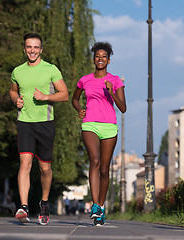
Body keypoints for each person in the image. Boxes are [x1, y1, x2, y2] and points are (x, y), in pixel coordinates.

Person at [10, 33, 69, 225]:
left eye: (36, 47)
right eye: (29, 47)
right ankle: (24, 207)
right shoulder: (17, 71)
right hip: (25, 122)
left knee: (45, 168)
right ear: (24, 48)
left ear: (41, 50)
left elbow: (65, 95)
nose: (32, 50)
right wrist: (15, 99)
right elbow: (13, 90)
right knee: (24, 163)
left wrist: (45, 97)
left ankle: (44, 203)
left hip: (45, 123)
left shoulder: (51, 69)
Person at [72, 41, 126, 226]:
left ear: (109, 60)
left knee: (104, 169)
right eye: (97, 56)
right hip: (90, 125)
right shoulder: (85, 80)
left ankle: (101, 207)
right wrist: (79, 109)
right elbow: (74, 98)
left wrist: (112, 92)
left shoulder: (116, 80)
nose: (100, 59)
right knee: (94, 160)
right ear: (94, 59)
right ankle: (95, 205)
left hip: (109, 126)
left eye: (104, 57)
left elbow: (123, 108)